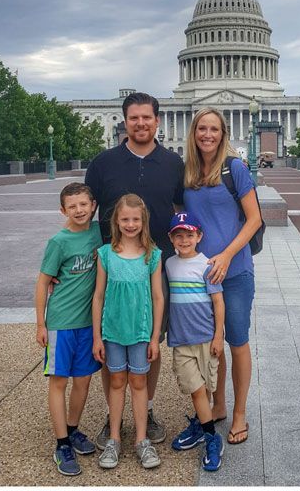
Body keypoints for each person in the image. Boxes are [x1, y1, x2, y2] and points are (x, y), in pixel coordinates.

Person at [83, 91, 184, 451]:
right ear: (125, 121)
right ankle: (114, 418)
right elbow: (82, 214)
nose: (141, 124)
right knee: (111, 341)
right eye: (134, 118)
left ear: (157, 121)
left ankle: (148, 408)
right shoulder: (102, 163)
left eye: (147, 118)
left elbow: (187, 213)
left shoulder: (174, 164)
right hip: (112, 267)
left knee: (149, 342)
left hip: (157, 265)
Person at [181, 107, 262, 448]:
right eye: (202, 128)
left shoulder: (236, 168)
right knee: (211, 346)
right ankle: (218, 403)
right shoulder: (185, 173)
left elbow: (255, 219)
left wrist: (227, 256)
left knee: (237, 341)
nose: (208, 135)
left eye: (214, 129)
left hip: (234, 271)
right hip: (201, 276)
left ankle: (240, 413)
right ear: (193, 132)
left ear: (223, 133)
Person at [91, 193, 163, 471]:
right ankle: (114, 439)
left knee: (139, 383)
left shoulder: (152, 254)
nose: (130, 224)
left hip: (141, 332)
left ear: (143, 221)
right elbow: (98, 296)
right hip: (112, 331)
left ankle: (142, 440)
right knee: (117, 381)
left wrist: (155, 336)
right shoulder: (106, 253)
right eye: (125, 219)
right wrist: (97, 336)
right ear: (116, 221)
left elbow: (158, 297)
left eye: (135, 219)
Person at [35, 182, 101, 476]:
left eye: (83, 205)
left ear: (93, 205)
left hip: (89, 323)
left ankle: (73, 429)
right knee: (59, 382)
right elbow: (42, 282)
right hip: (61, 323)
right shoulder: (59, 242)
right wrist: (40, 323)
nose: (79, 210)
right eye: (72, 206)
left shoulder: (100, 234)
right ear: (63, 210)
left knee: (84, 381)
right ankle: (61, 443)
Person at [165, 210, 226, 472]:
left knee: (206, 389)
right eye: (178, 235)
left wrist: (218, 336)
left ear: (198, 236)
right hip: (181, 340)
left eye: (189, 234)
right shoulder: (168, 264)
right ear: (171, 238)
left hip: (205, 338)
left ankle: (202, 427)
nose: (184, 240)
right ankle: (212, 436)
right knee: (196, 389)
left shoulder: (207, 265)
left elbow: (218, 302)